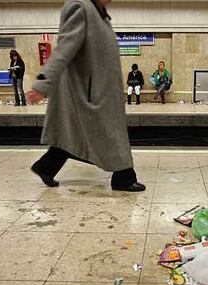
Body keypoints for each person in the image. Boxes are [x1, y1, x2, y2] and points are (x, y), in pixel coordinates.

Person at [26, 0, 145, 192]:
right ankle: (124, 177)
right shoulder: (80, 8)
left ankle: (45, 167)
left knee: (77, 135)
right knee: (110, 135)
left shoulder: (99, 13)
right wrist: (43, 83)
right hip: (89, 93)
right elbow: (63, 49)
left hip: (99, 91)